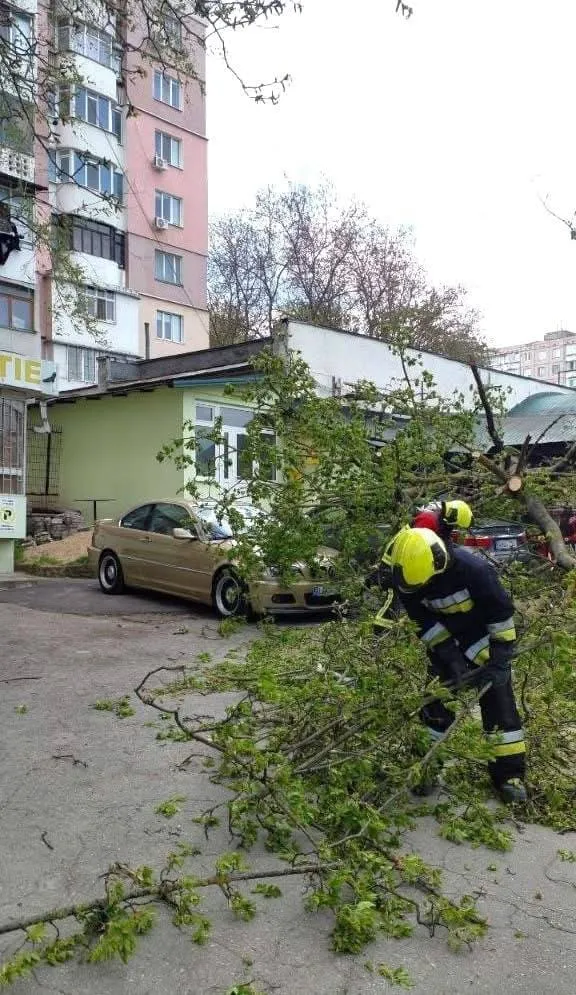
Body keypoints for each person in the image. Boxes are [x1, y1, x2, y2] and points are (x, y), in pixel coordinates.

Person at [386, 525, 527, 804]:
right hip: (446, 645)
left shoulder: (475, 571)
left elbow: (500, 614)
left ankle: (509, 777)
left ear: (438, 564)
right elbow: (422, 621)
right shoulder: (407, 577)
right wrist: (448, 655)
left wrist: (500, 658)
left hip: (486, 645)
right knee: (435, 706)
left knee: (501, 710)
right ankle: (426, 767)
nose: (422, 589)